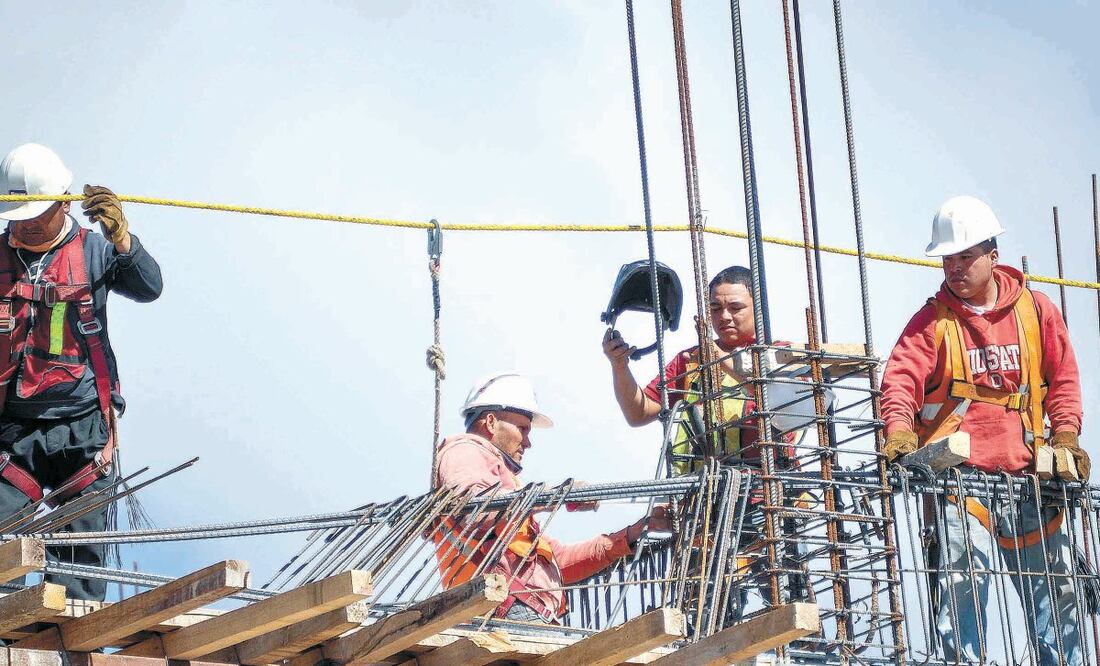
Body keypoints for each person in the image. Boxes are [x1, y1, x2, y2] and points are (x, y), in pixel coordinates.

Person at [881, 195, 1086, 665]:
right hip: (962, 485)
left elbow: (1065, 379)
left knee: (1059, 611)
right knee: (961, 599)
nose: (954, 268)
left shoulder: (1036, 311)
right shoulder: (932, 322)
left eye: (965, 257)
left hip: (1031, 483)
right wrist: (898, 429)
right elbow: (899, 380)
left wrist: (1066, 435)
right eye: (947, 258)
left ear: (992, 256)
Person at [0, 143, 163, 601]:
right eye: (18, 215)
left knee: (79, 573)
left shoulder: (94, 251)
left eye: (36, 213)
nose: (27, 223)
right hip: (12, 432)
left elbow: (150, 287)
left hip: (84, 430)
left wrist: (124, 242)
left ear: (65, 201)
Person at [431, 371, 669, 624]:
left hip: (522, 611)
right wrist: (557, 496)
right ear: (490, 422)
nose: (528, 441)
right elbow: (471, 509)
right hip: (500, 609)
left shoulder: (511, 500)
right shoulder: (465, 450)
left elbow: (561, 562)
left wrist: (639, 530)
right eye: (522, 428)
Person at [603, 265, 790, 474]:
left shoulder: (781, 355)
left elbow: (767, 393)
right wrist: (619, 366)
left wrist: (714, 354)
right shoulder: (691, 360)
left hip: (761, 493)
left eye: (736, 308)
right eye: (715, 308)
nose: (724, 316)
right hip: (697, 496)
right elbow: (638, 413)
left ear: (759, 309)